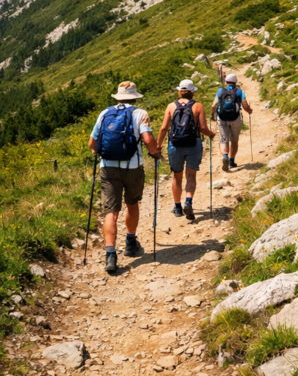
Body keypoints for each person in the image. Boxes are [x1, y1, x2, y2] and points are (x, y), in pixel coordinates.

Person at [88, 81, 161, 274]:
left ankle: (110, 255)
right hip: (132, 166)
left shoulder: (104, 113)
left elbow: (92, 143)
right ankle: (130, 242)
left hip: (108, 168)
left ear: (118, 97)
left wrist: (102, 154)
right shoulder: (140, 114)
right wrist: (156, 154)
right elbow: (147, 140)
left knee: (111, 212)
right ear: (135, 96)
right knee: (132, 204)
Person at [157, 79, 216, 221]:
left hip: (175, 145)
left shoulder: (171, 106)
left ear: (179, 91)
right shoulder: (198, 106)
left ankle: (177, 207)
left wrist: (158, 145)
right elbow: (202, 128)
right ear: (192, 92)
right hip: (193, 143)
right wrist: (211, 134)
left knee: (177, 177)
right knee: (191, 175)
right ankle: (188, 202)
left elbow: (164, 128)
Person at [211, 73, 252, 171]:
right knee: (234, 140)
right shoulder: (239, 91)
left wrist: (212, 114)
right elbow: (244, 103)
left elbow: (214, 105)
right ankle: (232, 161)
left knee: (223, 139)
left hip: (222, 118)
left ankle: (225, 157)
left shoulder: (220, 91)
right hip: (235, 118)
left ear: (226, 82)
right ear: (235, 82)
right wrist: (249, 110)